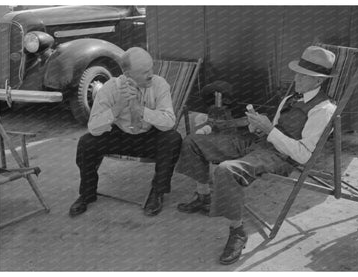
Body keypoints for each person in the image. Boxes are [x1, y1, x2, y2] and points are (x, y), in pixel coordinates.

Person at [175, 46, 337, 264]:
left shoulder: (323, 110)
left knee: (226, 170)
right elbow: (275, 128)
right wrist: (258, 126)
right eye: (297, 71)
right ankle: (203, 196)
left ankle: (237, 232)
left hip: (281, 157)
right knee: (193, 141)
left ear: (318, 81)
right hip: (261, 144)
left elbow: (304, 156)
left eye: (303, 75)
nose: (296, 77)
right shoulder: (291, 97)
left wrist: (270, 130)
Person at [69, 47, 182, 217]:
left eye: (151, 68)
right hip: (120, 136)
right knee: (86, 142)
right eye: (144, 72)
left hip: (148, 137)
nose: (151, 74)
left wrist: (141, 110)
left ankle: (157, 193)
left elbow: (169, 122)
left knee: (173, 139)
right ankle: (87, 194)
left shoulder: (159, 84)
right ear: (128, 75)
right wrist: (117, 108)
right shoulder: (110, 88)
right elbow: (94, 127)